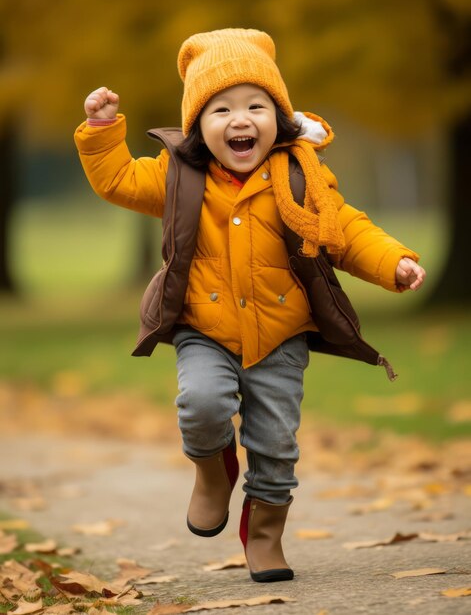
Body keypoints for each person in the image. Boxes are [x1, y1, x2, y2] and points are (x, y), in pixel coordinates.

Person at [74, 28, 426, 583]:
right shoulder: (177, 176)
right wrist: (101, 131)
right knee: (201, 403)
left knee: (276, 443)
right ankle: (213, 470)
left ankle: (264, 536)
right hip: (203, 328)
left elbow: (346, 231)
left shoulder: (300, 176)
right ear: (198, 125)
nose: (241, 120)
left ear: (279, 118)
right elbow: (117, 179)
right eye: (222, 110)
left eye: (256, 106)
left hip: (281, 335)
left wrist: (393, 263)